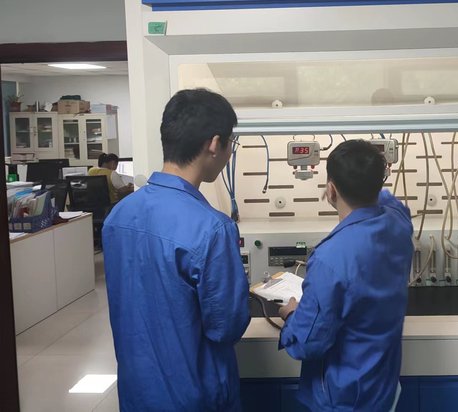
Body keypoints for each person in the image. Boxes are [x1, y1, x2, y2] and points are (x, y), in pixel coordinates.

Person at [102, 89, 250, 411]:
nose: (229, 153)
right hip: (196, 396)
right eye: (231, 143)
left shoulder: (118, 216)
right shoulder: (213, 228)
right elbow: (226, 326)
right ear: (214, 144)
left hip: (137, 393)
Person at [278, 139, 414, 412]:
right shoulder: (398, 221)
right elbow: (386, 198)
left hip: (344, 400)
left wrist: (291, 315)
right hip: (383, 389)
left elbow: (308, 344)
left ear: (331, 190)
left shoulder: (330, 259)